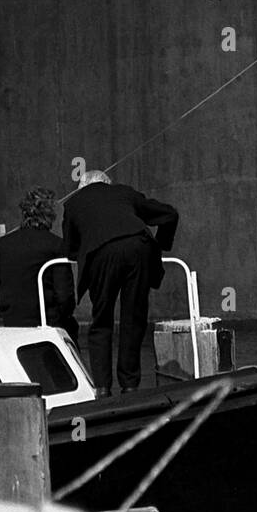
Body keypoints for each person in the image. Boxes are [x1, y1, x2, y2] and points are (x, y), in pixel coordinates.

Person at [62, 170, 178, 397]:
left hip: (100, 254)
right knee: (133, 318)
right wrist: (161, 245)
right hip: (138, 246)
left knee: (101, 321)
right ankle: (130, 385)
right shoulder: (124, 192)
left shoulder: (73, 202)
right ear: (107, 183)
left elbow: (69, 249)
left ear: (82, 185)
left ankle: (102, 387)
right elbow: (169, 214)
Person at [0, 187, 79, 342]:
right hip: (47, 322)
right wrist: (56, 316)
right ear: (50, 215)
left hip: (12, 323)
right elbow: (64, 295)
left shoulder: (5, 244)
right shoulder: (56, 245)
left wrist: (8, 312)